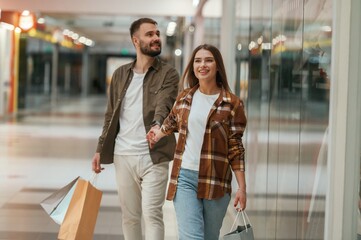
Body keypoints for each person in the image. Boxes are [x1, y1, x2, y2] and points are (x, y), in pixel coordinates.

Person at [147, 44, 247, 240]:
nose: (203, 65)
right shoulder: (185, 96)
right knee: (191, 237)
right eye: (198, 60)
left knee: (209, 237)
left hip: (216, 180)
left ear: (218, 66)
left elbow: (235, 148)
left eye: (208, 60)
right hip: (185, 178)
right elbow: (173, 120)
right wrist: (158, 134)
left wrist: (242, 188)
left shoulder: (232, 104)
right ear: (193, 66)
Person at [92, 18, 179, 240]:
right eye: (149, 34)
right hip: (124, 154)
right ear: (136, 40)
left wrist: (158, 125)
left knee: (152, 214)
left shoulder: (168, 74)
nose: (156, 38)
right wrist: (100, 149)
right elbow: (111, 114)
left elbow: (165, 103)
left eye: (157, 33)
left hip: (155, 154)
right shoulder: (121, 74)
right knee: (130, 217)